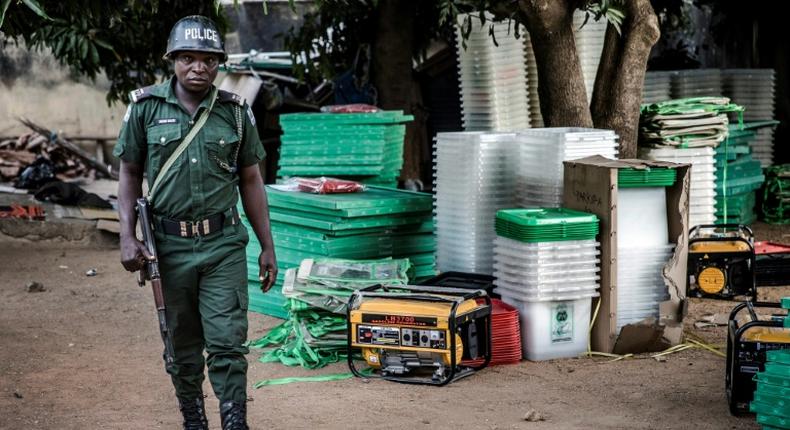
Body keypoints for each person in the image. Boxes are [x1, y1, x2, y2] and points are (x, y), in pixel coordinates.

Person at [114, 15, 277, 430]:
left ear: (219, 63)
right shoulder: (145, 108)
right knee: (181, 342)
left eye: (208, 60)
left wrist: (267, 246)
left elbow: (251, 179)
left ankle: (234, 419)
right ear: (173, 61)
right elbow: (130, 173)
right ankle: (193, 417)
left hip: (223, 244)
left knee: (227, 341)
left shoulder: (235, 113)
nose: (198, 68)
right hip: (166, 249)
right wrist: (127, 237)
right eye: (188, 58)